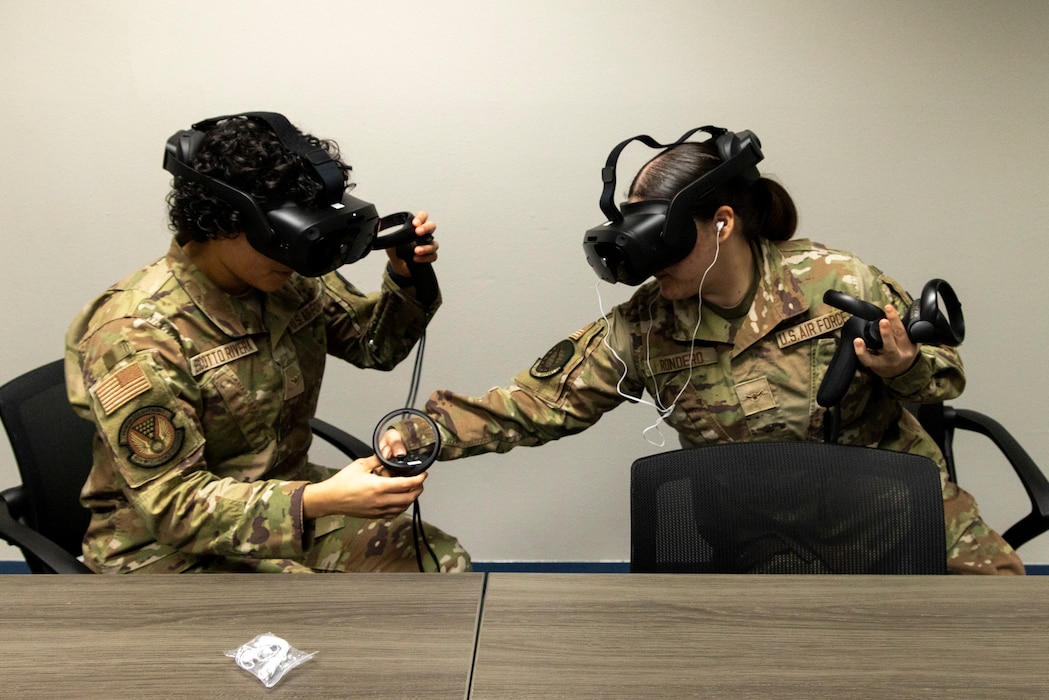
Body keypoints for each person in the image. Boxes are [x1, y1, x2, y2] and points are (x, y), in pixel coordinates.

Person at [411, 126, 1022, 575]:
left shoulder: (837, 282)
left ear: (722, 223)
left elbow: (945, 378)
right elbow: (537, 403)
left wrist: (905, 366)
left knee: (1005, 625)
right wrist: (417, 437)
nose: (652, 272)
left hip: (894, 517)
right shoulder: (648, 325)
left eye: (666, 245)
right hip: (761, 540)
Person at [65, 112, 470, 573]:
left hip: (280, 495)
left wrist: (404, 273)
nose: (295, 258)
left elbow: (372, 345)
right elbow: (173, 508)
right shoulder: (136, 333)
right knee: (313, 620)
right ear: (223, 221)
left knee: (438, 563)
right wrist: (319, 499)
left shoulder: (284, 279)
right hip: (164, 548)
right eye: (284, 239)